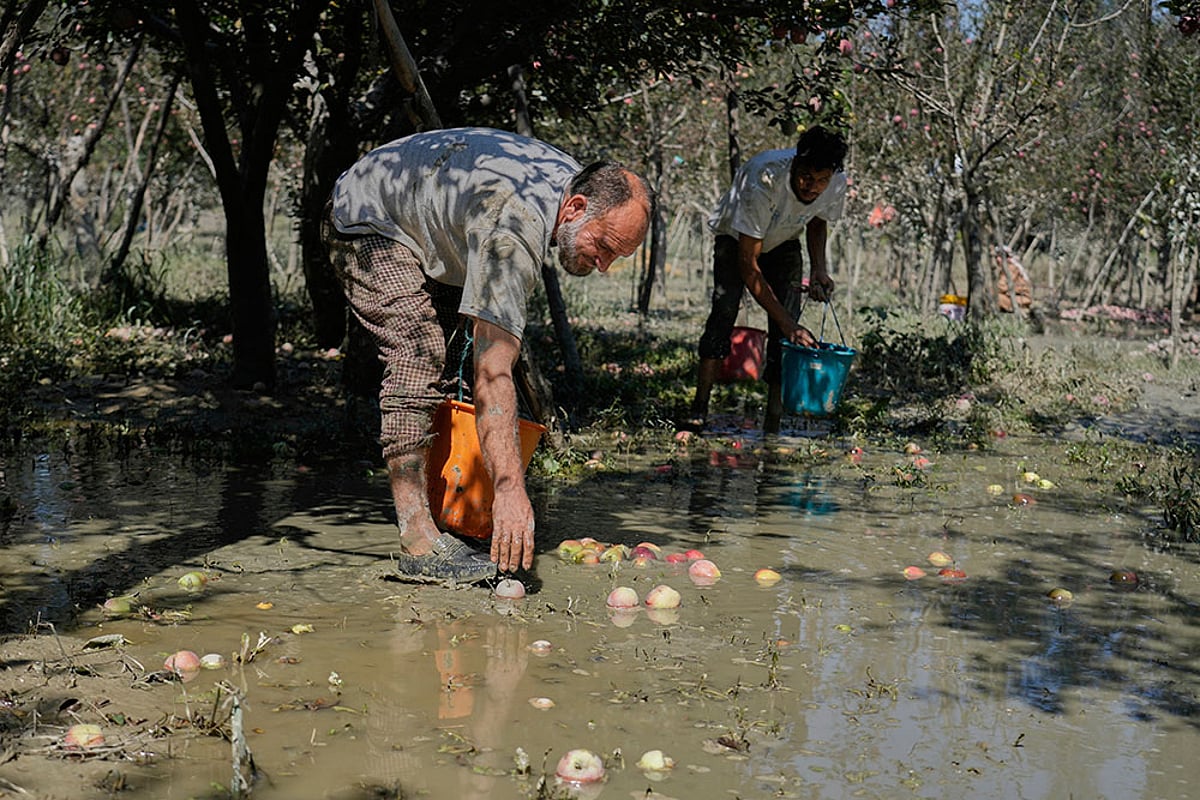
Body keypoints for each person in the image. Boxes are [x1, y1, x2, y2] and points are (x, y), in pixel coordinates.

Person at [323, 127, 652, 582]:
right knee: (420, 353)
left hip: (430, 223)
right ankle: (418, 539)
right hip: (367, 218)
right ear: (575, 208)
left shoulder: (575, 187)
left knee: (448, 358)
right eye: (604, 247)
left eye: (618, 256)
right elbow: (493, 370)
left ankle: (445, 514)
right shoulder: (513, 227)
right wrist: (510, 489)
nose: (604, 266)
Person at [677, 125, 849, 438]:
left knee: (785, 337)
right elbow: (748, 266)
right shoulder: (764, 178)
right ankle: (699, 410)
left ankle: (773, 422)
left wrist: (819, 269)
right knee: (724, 313)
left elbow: (818, 220)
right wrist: (789, 324)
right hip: (736, 240)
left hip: (784, 241)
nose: (813, 187)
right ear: (796, 162)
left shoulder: (836, 182)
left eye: (821, 180)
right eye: (806, 177)